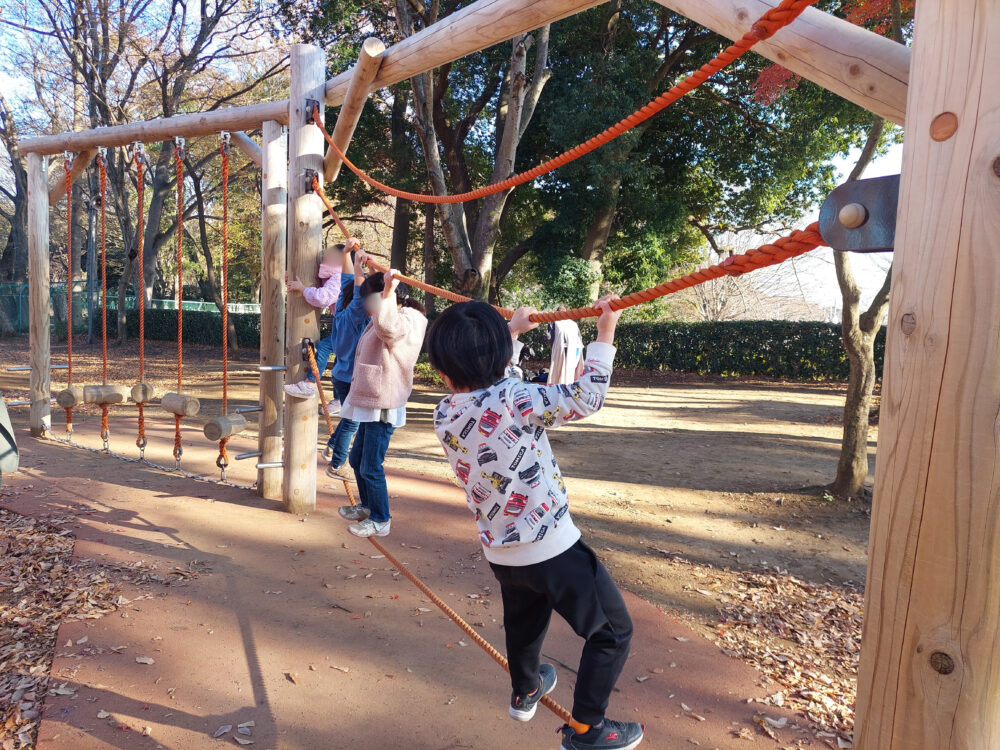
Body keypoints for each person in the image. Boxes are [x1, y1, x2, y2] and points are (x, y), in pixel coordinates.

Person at [426, 298, 642, 750]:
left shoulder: (444, 414)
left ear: (442, 370)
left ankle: (525, 689)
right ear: (502, 358)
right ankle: (588, 729)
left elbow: (491, 390)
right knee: (612, 631)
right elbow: (588, 396)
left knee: (524, 623)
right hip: (553, 549)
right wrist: (606, 333)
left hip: (501, 552)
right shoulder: (519, 398)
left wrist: (513, 334)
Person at [333, 253, 427, 538]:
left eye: (369, 300)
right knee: (358, 456)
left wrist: (386, 292)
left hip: (384, 399)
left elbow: (389, 330)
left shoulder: (407, 319)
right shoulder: (387, 312)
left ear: (389, 296)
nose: (365, 306)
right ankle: (368, 506)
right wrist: (366, 267)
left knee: (371, 463)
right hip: (371, 396)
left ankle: (381, 518)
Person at [325, 246, 374, 481]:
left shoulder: (341, 310)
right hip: (350, 377)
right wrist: (358, 265)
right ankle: (337, 464)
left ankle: (330, 447)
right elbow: (356, 288)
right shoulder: (355, 313)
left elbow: (348, 283)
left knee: (347, 418)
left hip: (340, 375)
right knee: (351, 423)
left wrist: (346, 253)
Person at [284, 242, 354, 405]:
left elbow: (322, 298)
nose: (325, 258)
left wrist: (302, 289)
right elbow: (317, 282)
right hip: (347, 324)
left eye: (330, 257)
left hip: (349, 326)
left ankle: (309, 384)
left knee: (324, 347)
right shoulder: (333, 277)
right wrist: (291, 276)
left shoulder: (338, 278)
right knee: (340, 361)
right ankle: (339, 399)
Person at [547, 314, 584, 385]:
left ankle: (558, 386)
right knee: (571, 370)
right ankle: (569, 385)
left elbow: (549, 337)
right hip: (575, 348)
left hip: (562, 348)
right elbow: (579, 338)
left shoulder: (554, 322)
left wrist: (554, 348)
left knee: (558, 369)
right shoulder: (573, 324)